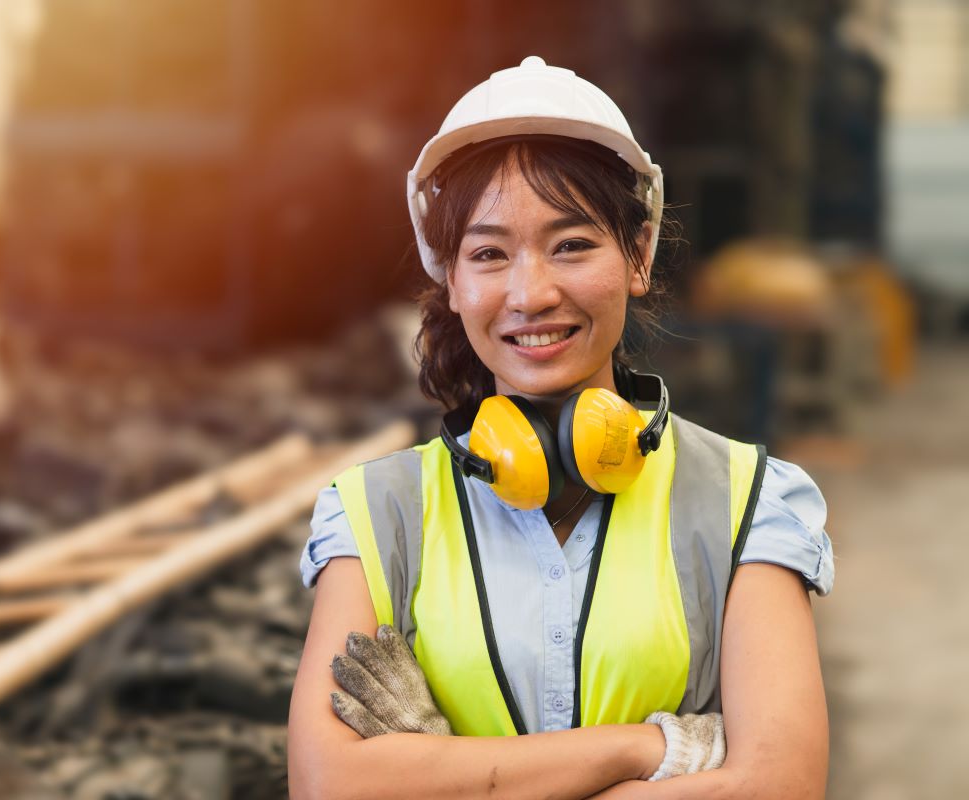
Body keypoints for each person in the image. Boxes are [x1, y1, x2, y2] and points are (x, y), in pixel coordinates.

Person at [287, 56, 834, 799]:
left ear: (638, 255)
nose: (530, 293)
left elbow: (780, 786)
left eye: (572, 245)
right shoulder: (375, 511)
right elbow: (329, 787)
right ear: (452, 281)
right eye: (488, 254)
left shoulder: (749, 499)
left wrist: (442, 776)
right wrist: (655, 747)